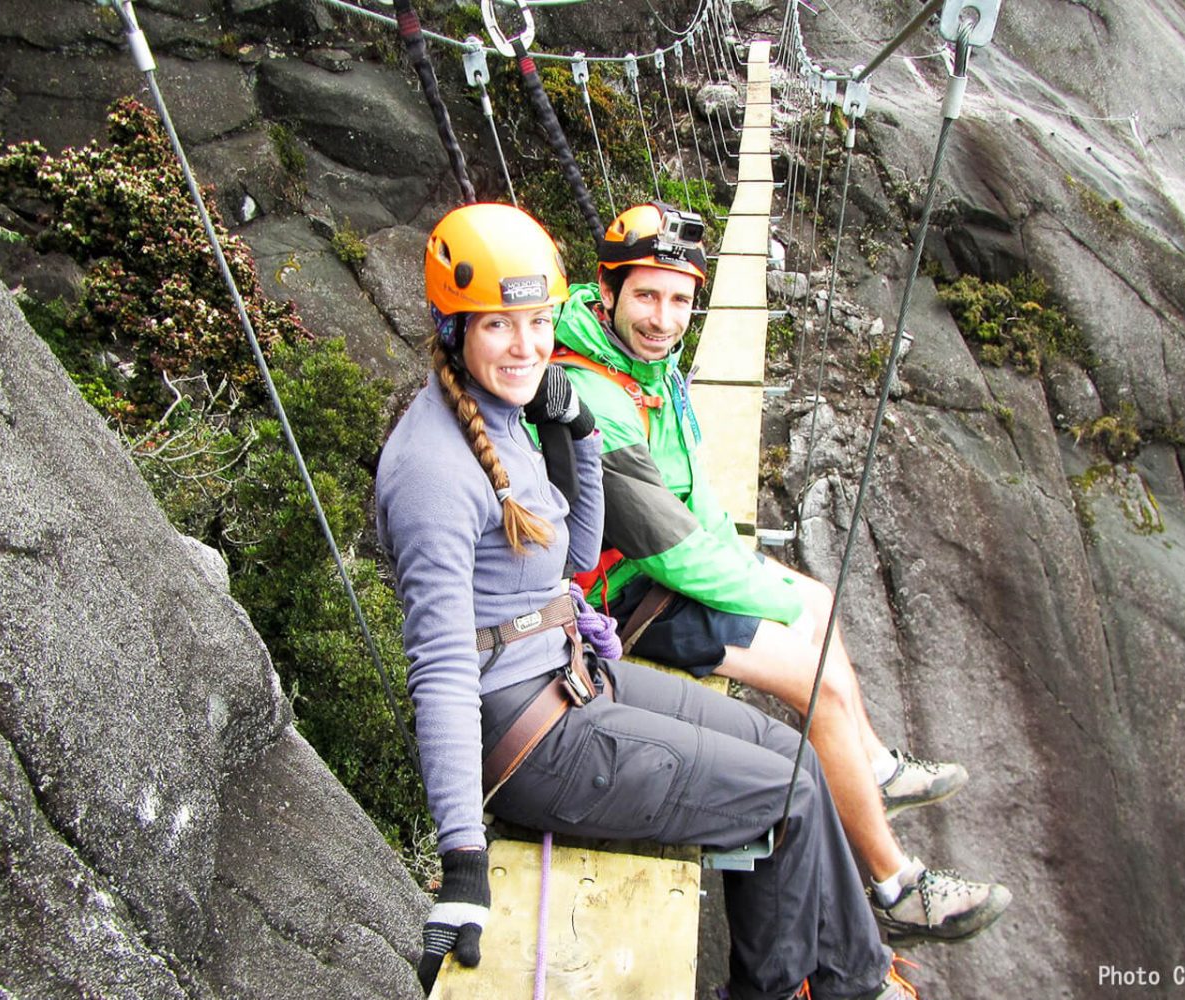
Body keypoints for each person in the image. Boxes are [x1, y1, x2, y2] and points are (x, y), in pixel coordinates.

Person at [376, 202, 917, 999]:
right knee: (789, 799)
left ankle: (854, 978)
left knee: (797, 760)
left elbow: (576, 558)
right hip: (529, 738)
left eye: (537, 321)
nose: (526, 346)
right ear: (454, 329)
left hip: (570, 676)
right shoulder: (433, 470)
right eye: (497, 325)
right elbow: (442, 669)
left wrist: (580, 435)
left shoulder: (512, 411)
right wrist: (462, 860)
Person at [551, 201, 1011, 941]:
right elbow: (669, 549)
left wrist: (766, 579)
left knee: (819, 599)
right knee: (816, 680)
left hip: (661, 567)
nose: (664, 318)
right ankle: (897, 886)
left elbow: (693, 494)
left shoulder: (644, 363)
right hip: (627, 599)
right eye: (647, 296)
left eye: (680, 300)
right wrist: (771, 595)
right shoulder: (595, 393)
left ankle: (874, 768)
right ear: (607, 291)